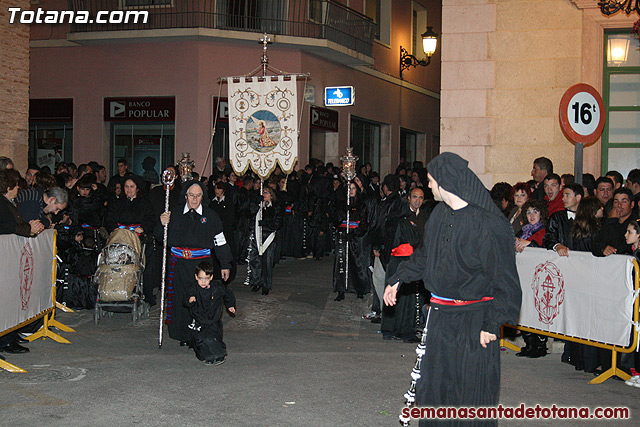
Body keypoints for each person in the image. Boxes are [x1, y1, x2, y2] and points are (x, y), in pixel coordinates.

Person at [384, 153, 521, 421]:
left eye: (433, 181)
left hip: (474, 321)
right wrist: (398, 279)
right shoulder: (438, 215)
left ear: (447, 183)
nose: (430, 187)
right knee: (435, 393)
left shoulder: (489, 224)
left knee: (470, 397)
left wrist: (492, 324)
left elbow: (505, 280)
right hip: (440, 319)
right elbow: (425, 256)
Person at [159, 181, 232, 346]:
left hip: (201, 265)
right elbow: (161, 237)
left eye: (198, 195)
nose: (194, 199)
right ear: (185, 196)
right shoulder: (175, 214)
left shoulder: (211, 216)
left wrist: (225, 264)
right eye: (191, 195)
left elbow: (220, 242)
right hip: (178, 265)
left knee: (201, 300)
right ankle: (183, 335)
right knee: (180, 299)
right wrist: (162, 223)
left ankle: (199, 334)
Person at [380, 187, 431, 342]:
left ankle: (402, 329)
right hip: (402, 260)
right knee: (400, 296)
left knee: (406, 298)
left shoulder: (424, 216)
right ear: (408, 198)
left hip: (414, 260)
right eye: (415, 197)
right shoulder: (402, 218)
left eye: (421, 198)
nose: (418, 200)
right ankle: (395, 329)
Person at [184, 261, 235, 366]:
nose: (203, 282)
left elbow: (228, 294)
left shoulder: (217, 287)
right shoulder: (193, 289)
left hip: (213, 318)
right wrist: (189, 300)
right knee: (201, 340)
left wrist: (230, 305)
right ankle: (207, 356)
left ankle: (219, 355)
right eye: (201, 278)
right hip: (199, 319)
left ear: (211, 277)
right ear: (196, 277)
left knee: (213, 337)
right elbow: (184, 302)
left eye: (206, 279)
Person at [333, 182, 371, 302]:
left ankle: (359, 288)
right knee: (341, 262)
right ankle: (341, 289)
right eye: (349, 188)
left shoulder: (362, 205)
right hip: (343, 236)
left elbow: (364, 223)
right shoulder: (340, 204)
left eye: (353, 188)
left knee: (357, 262)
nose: (351, 190)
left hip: (356, 238)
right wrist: (344, 211)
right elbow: (336, 220)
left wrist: (355, 234)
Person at [247, 186, 282, 295]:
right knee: (255, 260)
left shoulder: (276, 207)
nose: (264, 195)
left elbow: (277, 223)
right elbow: (248, 215)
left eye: (266, 193)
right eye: (262, 193)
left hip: (269, 237)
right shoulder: (257, 206)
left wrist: (266, 223)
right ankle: (256, 282)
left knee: (267, 262)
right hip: (257, 236)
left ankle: (266, 285)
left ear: (271, 195)